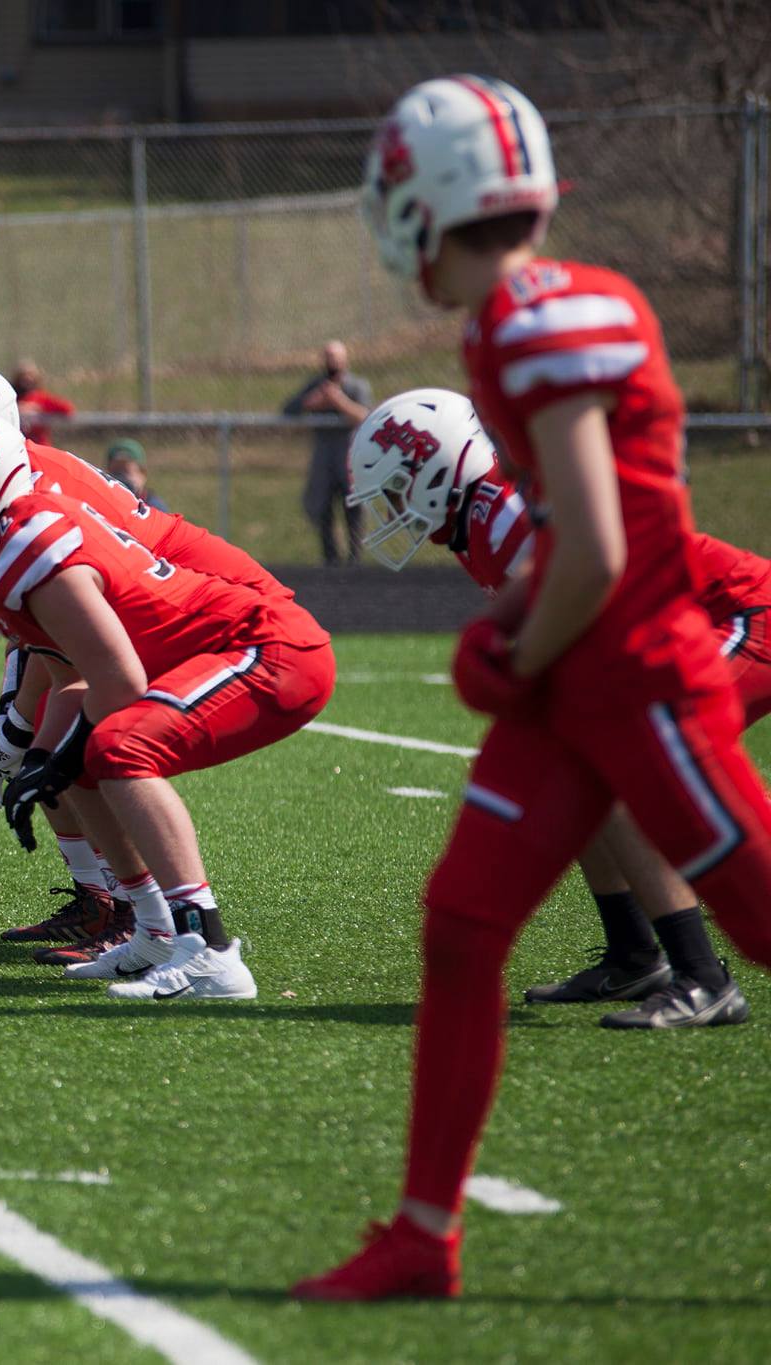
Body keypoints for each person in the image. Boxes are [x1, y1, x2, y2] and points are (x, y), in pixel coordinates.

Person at [295, 75, 771, 1302]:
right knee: (459, 926)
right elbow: (567, 536)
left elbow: (601, 553)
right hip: (580, 676)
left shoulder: (531, 322)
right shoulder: (516, 318)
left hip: (640, 670)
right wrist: (518, 634)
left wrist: (510, 642)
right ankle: (421, 1236)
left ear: (433, 198)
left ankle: (676, 976)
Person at [0, 411, 335, 1000]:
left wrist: (54, 759)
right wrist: (46, 759)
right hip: (222, 650)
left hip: (266, 647)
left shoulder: (24, 540)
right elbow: (72, 676)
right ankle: (152, 929)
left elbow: (118, 681)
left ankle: (209, 950)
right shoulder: (0, 546)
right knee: (80, 762)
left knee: (117, 748)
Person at [348, 387, 756, 1028]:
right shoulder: (475, 521)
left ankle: (703, 975)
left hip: (740, 616)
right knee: (567, 757)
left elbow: (600, 606)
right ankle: (634, 953)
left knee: (614, 760)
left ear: (435, 468)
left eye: (399, 488)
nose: (395, 508)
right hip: (679, 627)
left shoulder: (505, 514)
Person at [283, 341, 372, 565]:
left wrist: (339, 402)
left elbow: (365, 416)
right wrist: (311, 403)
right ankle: (329, 559)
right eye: (328, 357)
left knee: (353, 506)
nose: (332, 362)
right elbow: (288, 410)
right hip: (323, 457)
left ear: (345, 359)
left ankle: (354, 559)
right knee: (323, 507)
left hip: (350, 455)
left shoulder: (356, 386)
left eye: (336, 357)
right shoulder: (317, 385)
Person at [10, 362, 74, 447]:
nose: (26, 378)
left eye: (30, 375)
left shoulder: (41, 398)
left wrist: (40, 410)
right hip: (17, 446)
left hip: (40, 446)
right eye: (23, 376)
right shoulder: (12, 398)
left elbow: (68, 409)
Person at [104, 439, 168, 512]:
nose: (120, 477)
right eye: (116, 472)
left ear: (142, 474)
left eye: (126, 471)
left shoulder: (153, 507)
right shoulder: (103, 502)